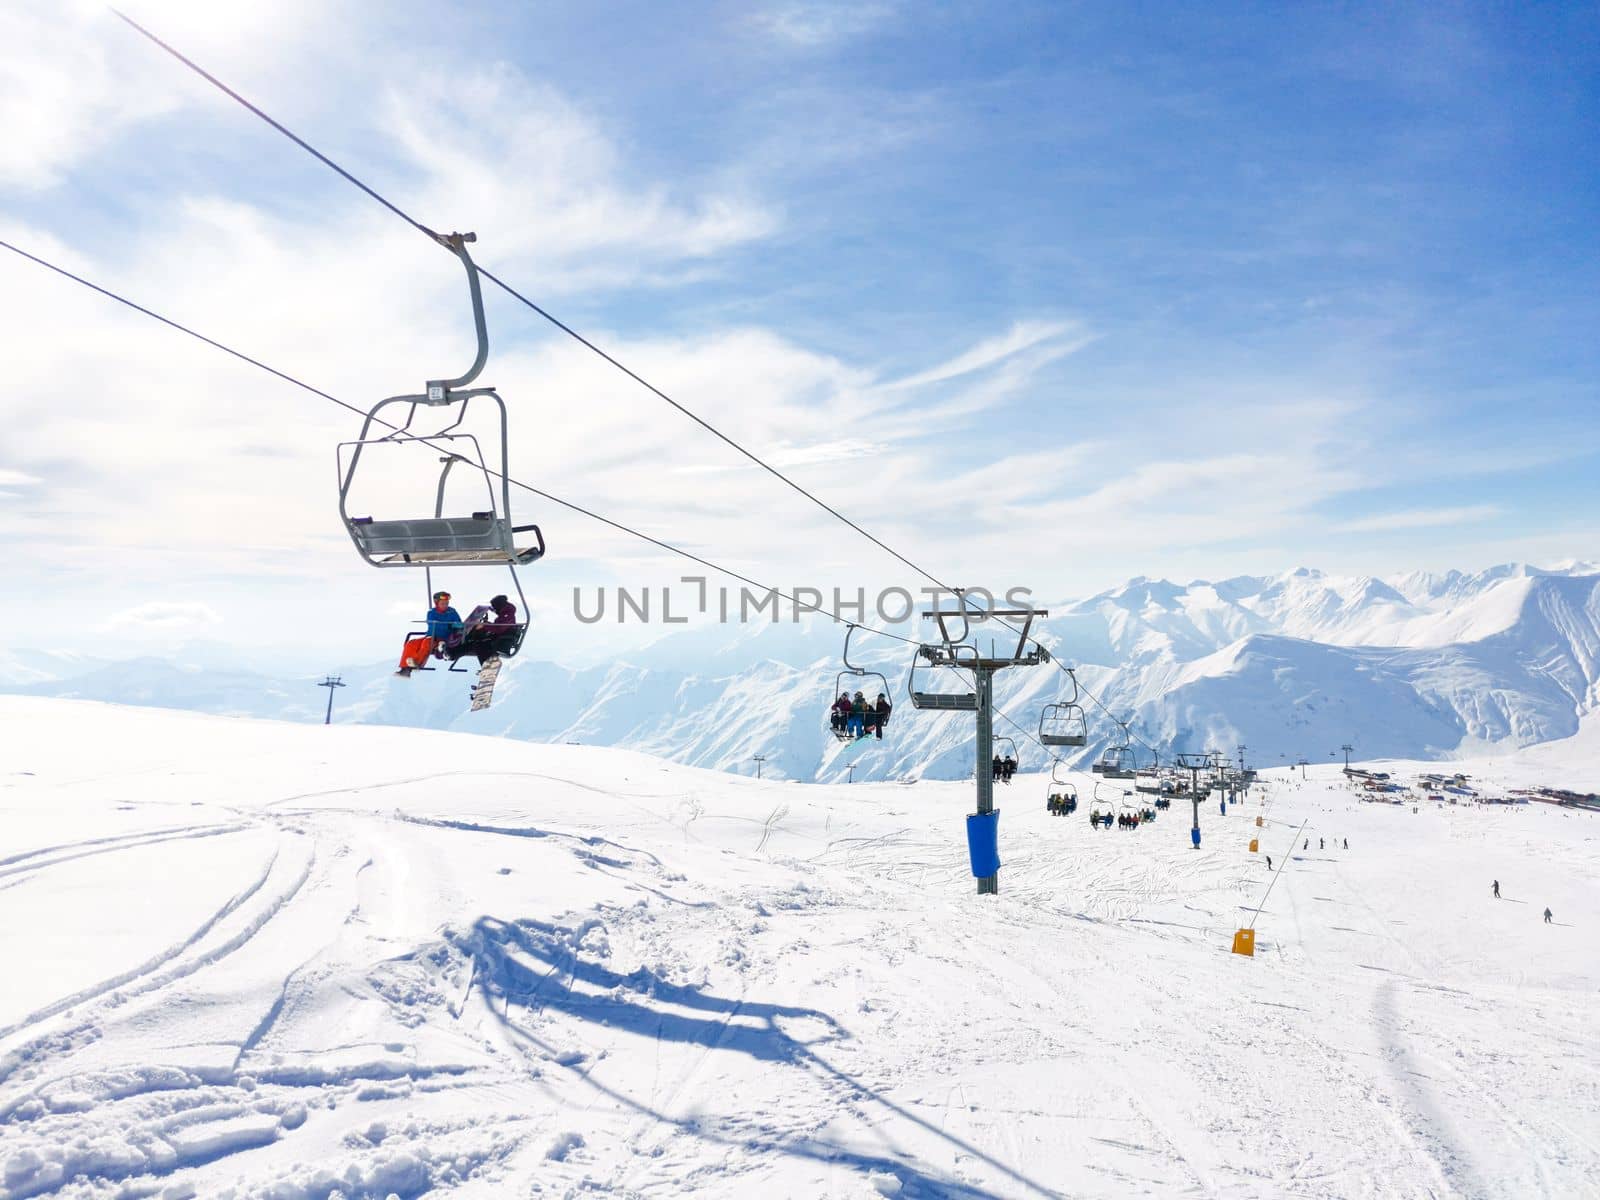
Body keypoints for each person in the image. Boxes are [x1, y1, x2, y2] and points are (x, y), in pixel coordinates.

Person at [397, 591, 462, 676]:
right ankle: (404, 669)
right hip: (432, 636)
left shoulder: (452, 612)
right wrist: (449, 624)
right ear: (437, 603)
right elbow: (432, 624)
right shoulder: (432, 613)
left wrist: (451, 625)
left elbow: (459, 624)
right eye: (442, 603)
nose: (445, 605)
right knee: (411, 643)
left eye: (446, 603)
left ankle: (417, 663)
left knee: (427, 643)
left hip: (444, 637)